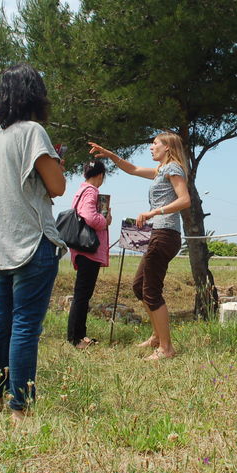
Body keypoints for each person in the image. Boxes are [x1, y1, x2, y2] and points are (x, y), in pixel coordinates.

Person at [0, 63, 65, 422]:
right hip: (32, 241)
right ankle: (20, 408)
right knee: (25, 327)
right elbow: (57, 187)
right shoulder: (33, 132)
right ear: (35, 95)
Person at [88, 133, 190, 360]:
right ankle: (156, 336)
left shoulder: (173, 168)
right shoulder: (161, 171)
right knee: (139, 286)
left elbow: (185, 200)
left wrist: (153, 212)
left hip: (165, 234)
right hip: (157, 233)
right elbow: (132, 169)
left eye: (155, 144)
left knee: (152, 291)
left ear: (167, 148)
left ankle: (166, 348)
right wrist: (110, 154)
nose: (151, 147)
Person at [66, 160, 112, 349]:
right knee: (82, 295)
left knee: (82, 294)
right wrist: (106, 220)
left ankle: (78, 335)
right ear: (100, 175)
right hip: (89, 250)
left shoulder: (81, 190)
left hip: (81, 249)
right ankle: (76, 338)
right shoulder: (92, 191)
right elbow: (90, 216)